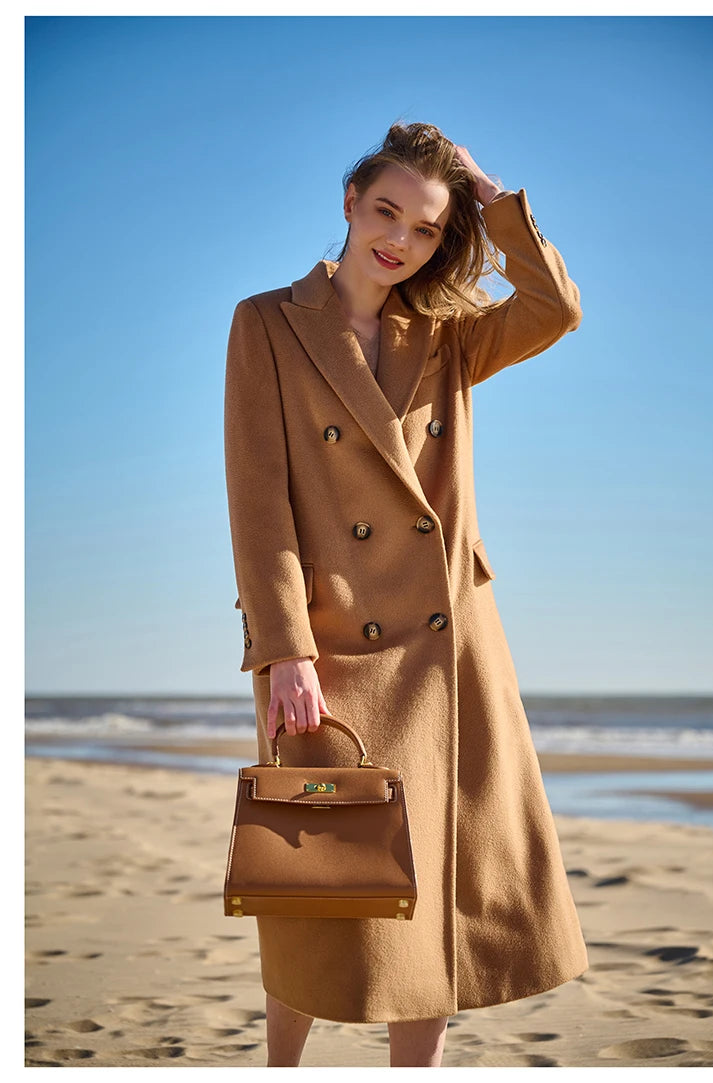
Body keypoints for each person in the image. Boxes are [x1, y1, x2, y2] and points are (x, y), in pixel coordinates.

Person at [223, 121, 589, 1068]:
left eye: (427, 228)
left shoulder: (450, 335)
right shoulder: (266, 321)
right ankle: (279, 1067)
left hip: (445, 649)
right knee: (312, 874)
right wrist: (284, 650)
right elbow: (258, 500)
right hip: (328, 648)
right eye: (386, 212)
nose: (401, 240)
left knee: (430, 880)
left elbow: (555, 308)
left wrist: (490, 197)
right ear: (349, 202)